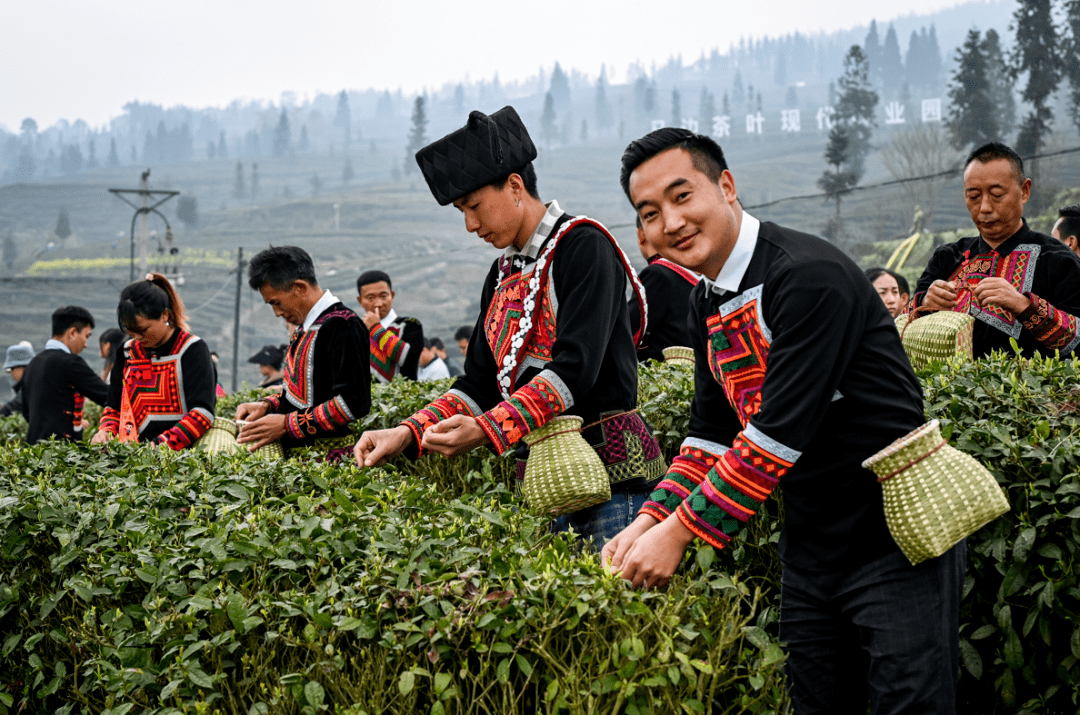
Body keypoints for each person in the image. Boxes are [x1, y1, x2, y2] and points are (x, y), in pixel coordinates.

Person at [604, 128, 963, 714]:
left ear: (726, 185)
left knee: (911, 704)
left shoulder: (806, 275)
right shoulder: (707, 298)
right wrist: (649, 518)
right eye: (650, 212)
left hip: (891, 540)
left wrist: (677, 534)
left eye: (681, 195)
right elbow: (709, 433)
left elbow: (777, 434)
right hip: (812, 548)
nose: (670, 222)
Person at [354, 106, 664, 548]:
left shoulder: (584, 247)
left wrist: (485, 430)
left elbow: (575, 368)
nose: (470, 225)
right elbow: (479, 382)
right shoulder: (501, 277)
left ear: (515, 186)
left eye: (475, 206)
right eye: (462, 211)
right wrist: (408, 431)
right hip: (545, 486)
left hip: (616, 483)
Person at [909, 142, 1080, 358]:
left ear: (1024, 191)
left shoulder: (1057, 260)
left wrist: (1024, 306)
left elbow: (1077, 341)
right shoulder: (947, 258)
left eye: (997, 194)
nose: (985, 208)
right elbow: (905, 322)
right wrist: (925, 302)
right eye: (974, 197)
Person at [235, 246, 370, 460]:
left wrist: (287, 424)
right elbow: (305, 393)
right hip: (298, 461)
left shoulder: (343, 326)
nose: (277, 312)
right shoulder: (306, 327)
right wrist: (267, 405)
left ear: (299, 287)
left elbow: (354, 402)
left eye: (276, 302)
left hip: (328, 463)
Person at [93, 274, 216, 449]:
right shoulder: (127, 352)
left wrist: (160, 446)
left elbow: (202, 412)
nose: (137, 337)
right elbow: (114, 407)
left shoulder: (191, 349)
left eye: (143, 330)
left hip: (181, 460)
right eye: (131, 331)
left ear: (165, 315)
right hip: (133, 455)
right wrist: (106, 431)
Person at [22, 306, 109, 444]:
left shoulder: (33, 363)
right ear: (72, 333)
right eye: (86, 336)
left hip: (35, 451)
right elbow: (107, 396)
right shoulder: (69, 362)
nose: (86, 344)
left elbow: (26, 411)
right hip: (61, 453)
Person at [631, 216, 700, 361]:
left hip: (664, 377)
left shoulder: (657, 274)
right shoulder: (694, 275)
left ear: (641, 235)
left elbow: (628, 329)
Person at [357, 270, 424, 382]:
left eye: (383, 296)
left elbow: (408, 359)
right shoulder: (356, 333)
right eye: (370, 298)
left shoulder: (410, 325)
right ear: (360, 301)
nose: (378, 303)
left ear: (392, 296)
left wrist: (375, 328)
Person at [0, 342, 34, 417]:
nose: (11, 373)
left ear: (21, 368)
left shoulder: (31, 386)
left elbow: (15, 405)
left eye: (11, 369)